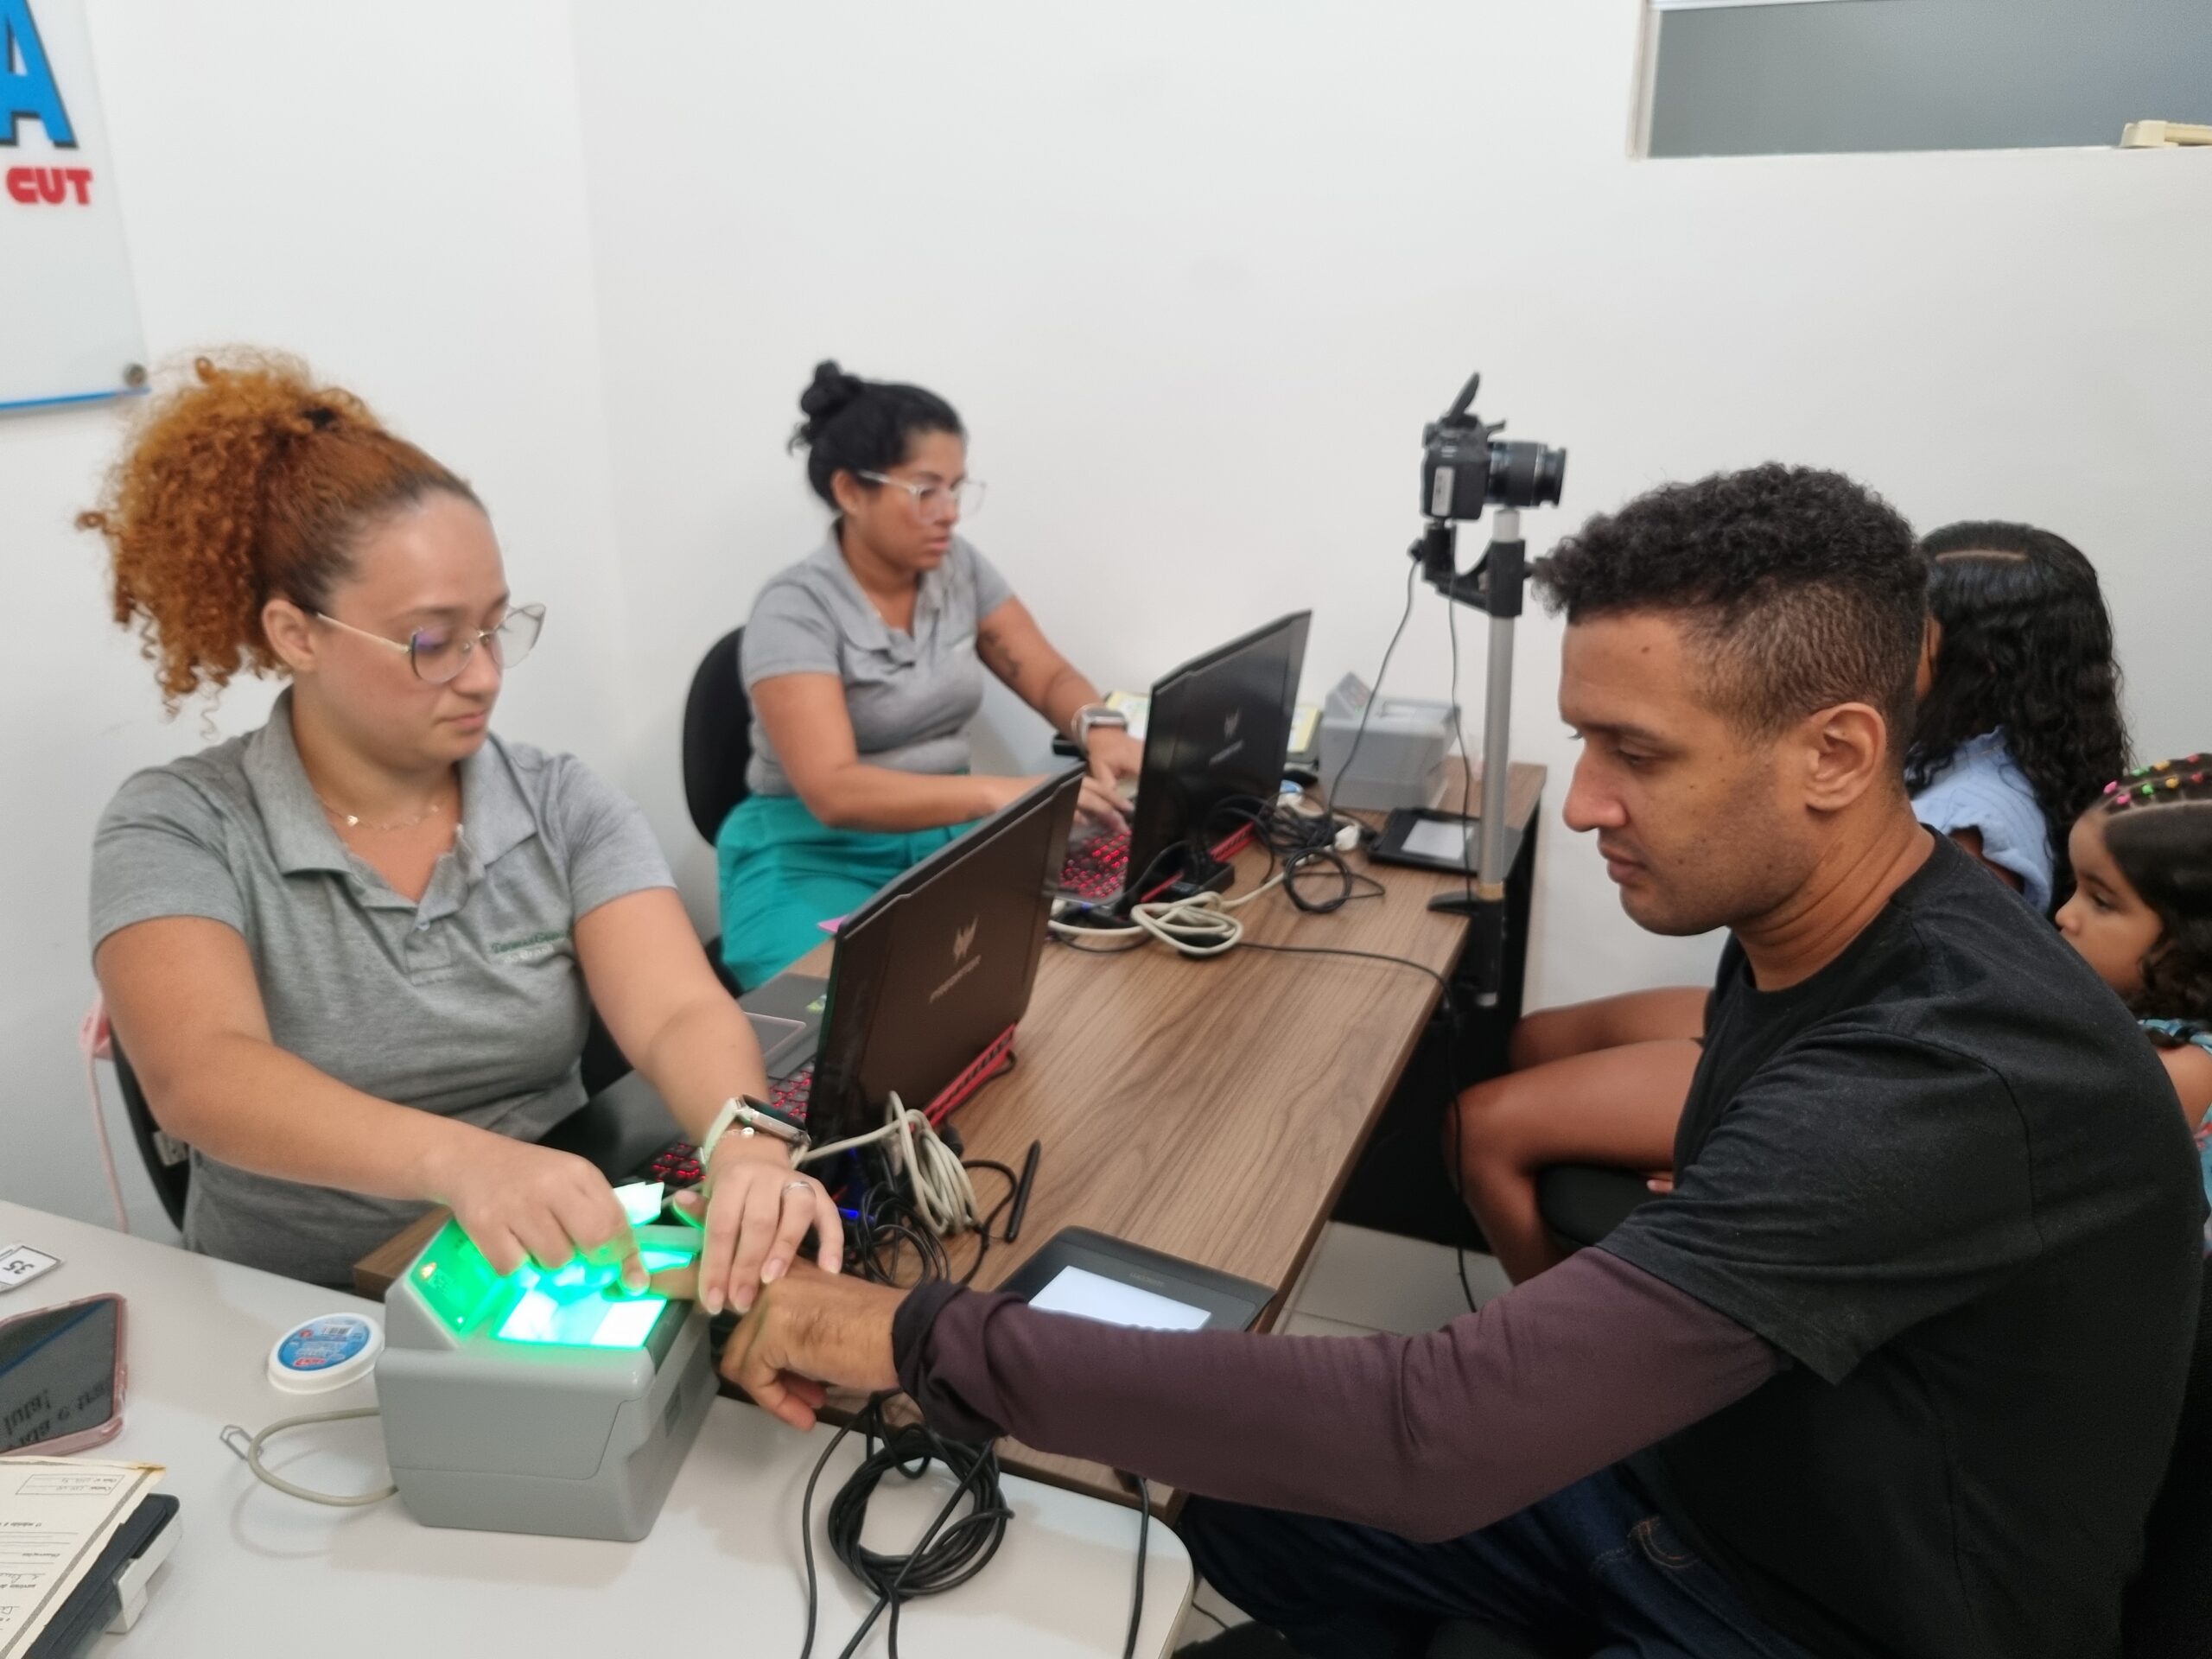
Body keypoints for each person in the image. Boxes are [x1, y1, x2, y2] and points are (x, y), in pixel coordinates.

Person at [665, 465, 2203, 1659]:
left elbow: (1432, 1432)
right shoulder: (1828, 920)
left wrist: (913, 1336)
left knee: (1213, 1460)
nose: (1584, 802)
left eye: (1638, 753)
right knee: (1168, 1497)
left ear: (1839, 755)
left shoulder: (1957, 1067)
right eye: (1585, 739)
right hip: (1694, 1488)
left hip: (1823, 1621)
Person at [86, 353, 836, 1313]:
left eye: (495, 628)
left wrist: (745, 1145)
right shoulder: (178, 824)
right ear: (297, 634)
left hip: (547, 1277)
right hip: (298, 1310)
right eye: (434, 642)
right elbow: (201, 1074)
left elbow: (677, 1012)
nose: (484, 676)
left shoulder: (562, 803)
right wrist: (462, 1163)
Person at [1454, 518, 2130, 1281]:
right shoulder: (1960, 747)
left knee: (1480, 1126)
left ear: (1982, 659)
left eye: (1906, 628)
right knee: (1537, 1038)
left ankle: (1566, 1332)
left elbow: (1887, 1023)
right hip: (1794, 1004)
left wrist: (1744, 1143)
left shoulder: (1974, 822)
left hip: (1823, 1046)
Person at [715, 361, 1141, 988]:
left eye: (957, 489)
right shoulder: (794, 609)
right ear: (850, 491)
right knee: (856, 1009)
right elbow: (835, 792)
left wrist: (1100, 728)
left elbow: (1048, 675)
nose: (950, 514)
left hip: (948, 841)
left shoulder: (957, 568)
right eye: (925, 491)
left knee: (1057, 966)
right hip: (811, 856)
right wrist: (1003, 795)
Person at [2057, 758, 2212, 1243]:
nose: (2065, 916)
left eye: (2102, 901)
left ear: (2193, 938)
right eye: (2075, 888)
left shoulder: (2178, 1072)